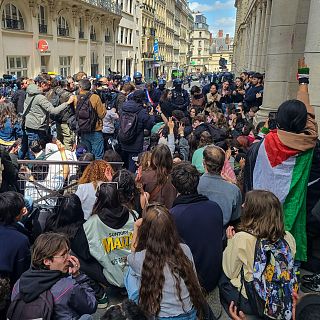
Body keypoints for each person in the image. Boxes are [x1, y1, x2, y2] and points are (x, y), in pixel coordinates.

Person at [244, 58, 318, 261]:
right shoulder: (310, 147)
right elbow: (310, 122)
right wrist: (304, 81)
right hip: (289, 219)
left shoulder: (265, 143)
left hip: (262, 217)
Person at [219, 190, 297, 318]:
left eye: (246, 204)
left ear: (253, 213)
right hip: (282, 297)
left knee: (222, 278)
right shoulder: (288, 238)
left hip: (252, 301)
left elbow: (229, 272)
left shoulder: (241, 238)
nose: (243, 206)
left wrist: (230, 242)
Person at [125, 204, 207, 320]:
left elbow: (131, 255)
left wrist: (136, 227)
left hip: (161, 316)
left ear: (145, 230)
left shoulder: (140, 258)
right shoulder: (184, 249)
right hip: (190, 313)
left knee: (129, 272)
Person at [9, 232, 97, 319]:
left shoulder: (20, 283)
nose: (69, 258)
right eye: (63, 255)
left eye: (68, 252)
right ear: (47, 261)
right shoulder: (67, 286)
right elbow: (91, 305)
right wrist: (78, 276)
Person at [170, 162, 223, 293]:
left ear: (174, 186)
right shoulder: (215, 208)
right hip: (212, 278)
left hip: (189, 283)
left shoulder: (173, 215)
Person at [83, 183, 135, 288]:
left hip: (111, 276)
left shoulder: (90, 224)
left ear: (98, 199)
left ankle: (99, 292)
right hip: (134, 273)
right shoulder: (134, 215)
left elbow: (88, 253)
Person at [20, 78, 74, 159]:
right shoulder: (40, 98)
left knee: (31, 147)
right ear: (42, 85)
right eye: (48, 86)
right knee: (36, 149)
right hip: (38, 127)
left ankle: (31, 167)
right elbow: (53, 111)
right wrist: (67, 103)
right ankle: (35, 167)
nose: (50, 88)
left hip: (29, 125)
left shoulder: (28, 94)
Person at [198, 145, 242, 226]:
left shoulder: (195, 184)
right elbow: (236, 219)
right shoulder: (234, 190)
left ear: (204, 162)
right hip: (224, 233)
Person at [119, 90, 155, 172]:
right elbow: (149, 125)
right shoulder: (142, 111)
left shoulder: (124, 108)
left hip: (123, 139)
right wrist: (151, 116)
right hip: (135, 143)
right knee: (132, 167)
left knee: (123, 165)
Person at [77, 79, 107, 160]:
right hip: (95, 130)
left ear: (80, 87)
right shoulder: (95, 97)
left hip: (82, 129)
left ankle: (86, 171)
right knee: (98, 156)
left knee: (86, 156)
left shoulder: (76, 98)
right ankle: (96, 172)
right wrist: (104, 106)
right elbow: (101, 114)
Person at [140, 144, 176, 209]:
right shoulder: (175, 176)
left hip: (151, 214)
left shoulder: (145, 176)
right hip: (168, 215)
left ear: (153, 158)